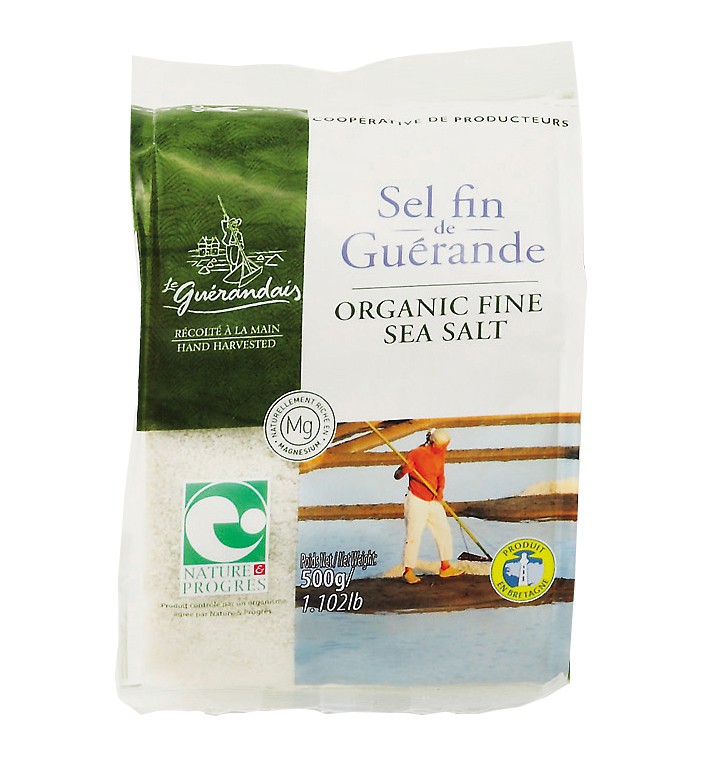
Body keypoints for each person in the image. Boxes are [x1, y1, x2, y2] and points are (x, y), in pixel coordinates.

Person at [394, 428, 462, 584]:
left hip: (433, 500)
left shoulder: (440, 455)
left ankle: (445, 567)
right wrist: (405, 470)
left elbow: (441, 476)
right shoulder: (416, 453)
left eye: (447, 445)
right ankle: (408, 571)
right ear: (434, 443)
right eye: (443, 446)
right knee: (413, 535)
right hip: (416, 500)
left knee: (443, 531)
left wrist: (440, 491)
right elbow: (397, 475)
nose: (446, 449)